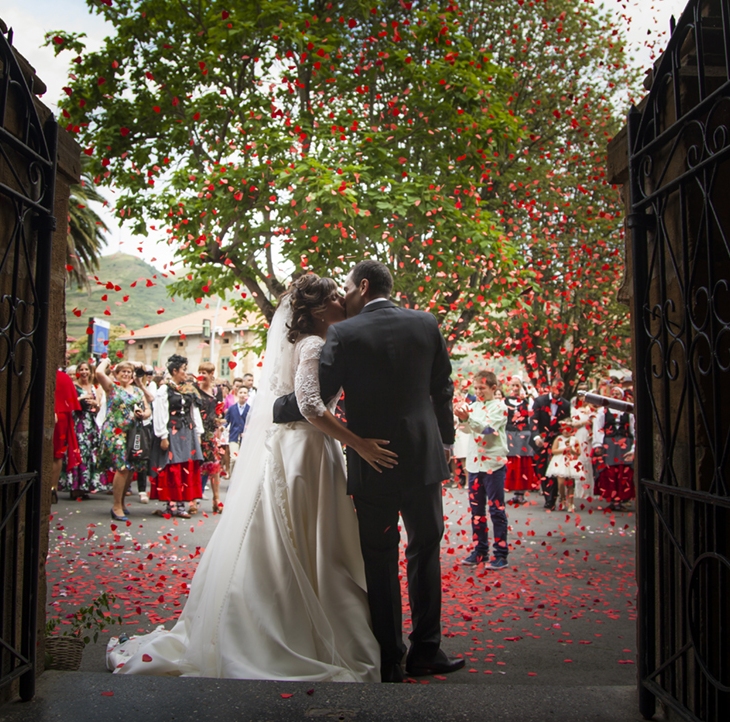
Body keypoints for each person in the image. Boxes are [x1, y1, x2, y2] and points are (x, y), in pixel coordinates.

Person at [106, 273, 393, 681]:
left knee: (289, 536)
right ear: (313, 310)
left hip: (292, 448)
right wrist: (358, 443)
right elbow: (310, 406)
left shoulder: (304, 342)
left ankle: (276, 616)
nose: (340, 301)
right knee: (308, 538)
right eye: (332, 297)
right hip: (306, 451)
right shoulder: (312, 344)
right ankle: (296, 626)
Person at [274, 260, 463, 682]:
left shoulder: (344, 332)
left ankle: (390, 659)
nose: (344, 297)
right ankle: (426, 651)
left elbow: (314, 397)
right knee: (425, 552)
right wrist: (445, 443)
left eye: (346, 288)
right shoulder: (426, 323)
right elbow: (442, 390)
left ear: (362, 285)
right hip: (422, 460)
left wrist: (273, 405)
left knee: (379, 559)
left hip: (371, 461)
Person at [455, 370, 510, 570]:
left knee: (496, 510)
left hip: (493, 464)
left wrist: (468, 419)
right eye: (476, 388)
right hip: (475, 465)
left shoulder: (500, 407)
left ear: (493, 388)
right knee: (477, 511)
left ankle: (501, 554)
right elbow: (467, 429)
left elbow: (488, 429)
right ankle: (480, 551)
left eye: (482, 388)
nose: (478, 391)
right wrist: (463, 419)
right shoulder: (473, 406)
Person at [150, 355, 205, 518]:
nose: (186, 373)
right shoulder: (164, 390)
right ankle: (171, 504)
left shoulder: (189, 389)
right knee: (171, 465)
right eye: (183, 370)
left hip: (187, 431)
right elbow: (160, 413)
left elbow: (193, 412)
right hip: (172, 431)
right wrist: (163, 436)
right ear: (174, 371)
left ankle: (181, 505)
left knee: (185, 467)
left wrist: (198, 433)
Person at [97, 359, 151, 521]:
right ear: (116, 374)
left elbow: (148, 408)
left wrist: (143, 413)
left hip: (133, 432)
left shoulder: (137, 391)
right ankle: (116, 506)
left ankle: (121, 501)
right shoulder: (112, 388)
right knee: (122, 468)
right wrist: (106, 360)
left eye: (129, 372)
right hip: (115, 431)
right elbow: (99, 373)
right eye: (123, 372)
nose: (126, 375)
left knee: (131, 467)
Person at [545, 397, 593, 512]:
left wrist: (571, 450)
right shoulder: (559, 438)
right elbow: (553, 450)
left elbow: (578, 452)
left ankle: (571, 503)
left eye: (568, 429)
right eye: (564, 429)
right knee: (561, 483)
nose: (566, 431)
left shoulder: (574, 440)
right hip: (560, 461)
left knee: (570, 483)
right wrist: (563, 449)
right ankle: (562, 498)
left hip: (571, 461)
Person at [592, 385, 635, 509]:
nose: (615, 396)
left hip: (624, 444)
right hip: (609, 443)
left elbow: (633, 429)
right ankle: (613, 500)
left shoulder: (628, 411)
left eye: (618, 394)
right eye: (613, 394)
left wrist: (633, 448)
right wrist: (598, 444)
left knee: (624, 470)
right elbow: (598, 428)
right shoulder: (603, 411)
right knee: (610, 470)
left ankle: (622, 498)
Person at [531, 383, 570, 511]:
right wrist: (536, 437)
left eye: (561, 390)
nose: (558, 392)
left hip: (556, 439)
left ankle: (551, 499)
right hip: (541, 438)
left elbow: (566, 423)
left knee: (554, 468)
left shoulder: (566, 404)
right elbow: (534, 420)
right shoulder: (539, 401)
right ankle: (547, 493)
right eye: (556, 389)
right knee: (542, 468)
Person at [194, 361, 226, 513]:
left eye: (204, 373)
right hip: (197, 430)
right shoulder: (194, 390)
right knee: (197, 466)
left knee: (214, 467)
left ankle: (216, 499)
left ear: (211, 374)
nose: (201, 375)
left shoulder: (217, 391)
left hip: (211, 431)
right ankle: (193, 500)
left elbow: (219, 410)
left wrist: (219, 426)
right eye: (200, 372)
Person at [503, 381, 539, 504]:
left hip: (524, 435)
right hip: (510, 434)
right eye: (513, 385)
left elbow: (532, 419)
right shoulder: (505, 401)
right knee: (511, 463)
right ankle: (514, 492)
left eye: (517, 385)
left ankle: (521, 493)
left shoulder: (529, 402)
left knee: (523, 463)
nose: (515, 388)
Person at [70, 362, 103, 499]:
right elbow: (69, 403)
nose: (84, 372)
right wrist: (81, 398)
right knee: (79, 452)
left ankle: (86, 486)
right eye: (81, 369)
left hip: (90, 422)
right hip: (78, 422)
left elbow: (99, 408)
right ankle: (75, 487)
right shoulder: (73, 386)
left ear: (90, 372)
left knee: (90, 453)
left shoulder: (96, 387)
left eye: (86, 370)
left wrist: (96, 404)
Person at [52, 367, 82, 505]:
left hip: (56, 414)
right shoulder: (64, 377)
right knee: (56, 454)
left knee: (53, 454)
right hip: (62, 416)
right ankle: (52, 489)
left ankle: (49, 488)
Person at [224, 385, 251, 470]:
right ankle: (232, 480)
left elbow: (252, 423)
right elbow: (226, 420)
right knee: (234, 458)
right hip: (234, 436)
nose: (243, 395)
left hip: (245, 437)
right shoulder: (232, 408)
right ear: (237, 393)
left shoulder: (250, 409)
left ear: (247, 395)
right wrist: (222, 427)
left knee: (243, 459)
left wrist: (248, 431)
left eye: (245, 393)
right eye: (241, 392)